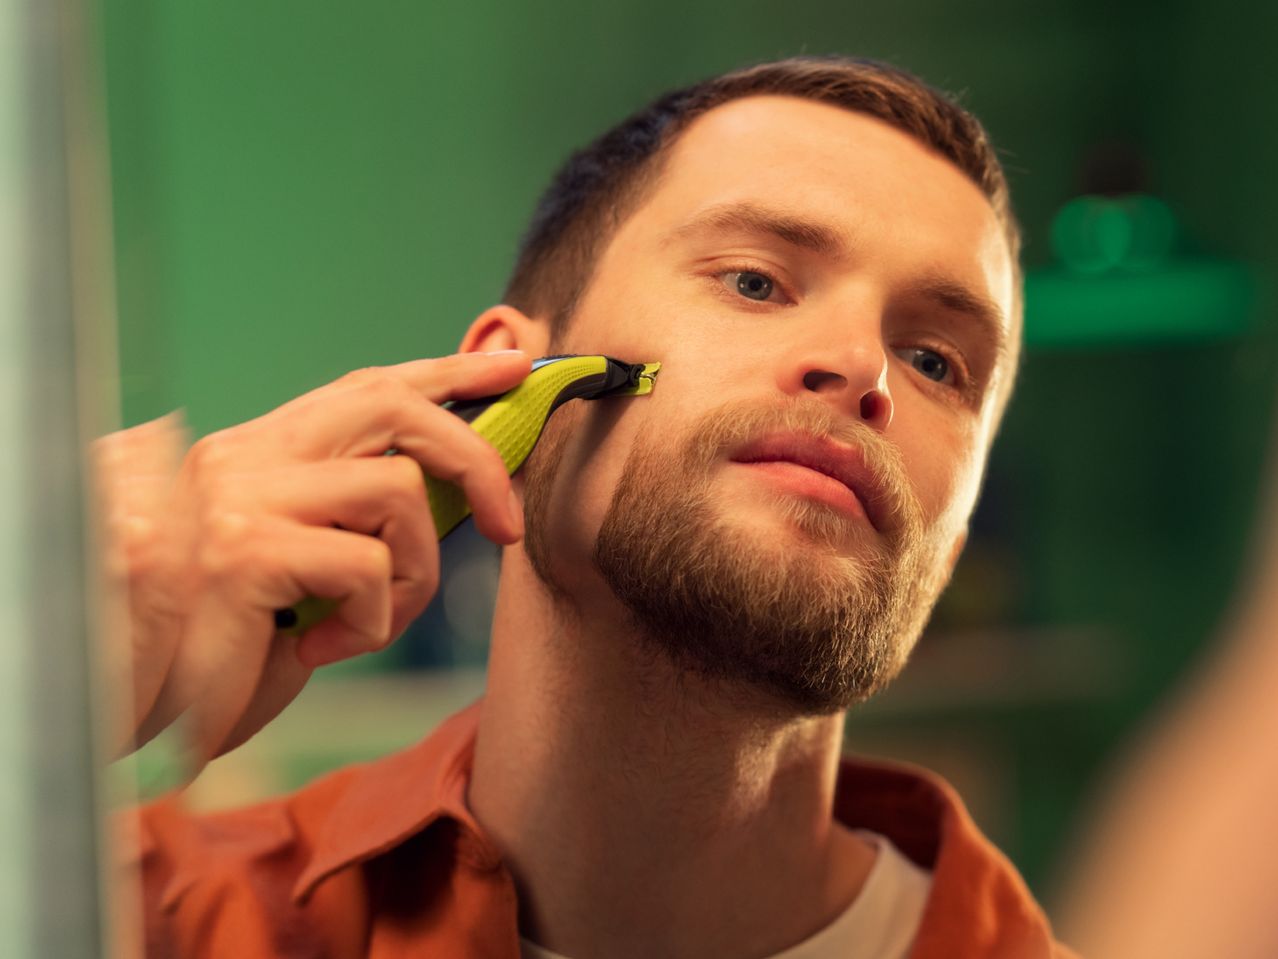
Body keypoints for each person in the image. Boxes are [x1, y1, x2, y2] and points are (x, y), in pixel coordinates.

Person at [101, 56, 1076, 958]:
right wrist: (50, 700)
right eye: (754, 279)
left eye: (935, 360)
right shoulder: (143, 918)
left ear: (947, 547)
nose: (865, 369)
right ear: (496, 387)